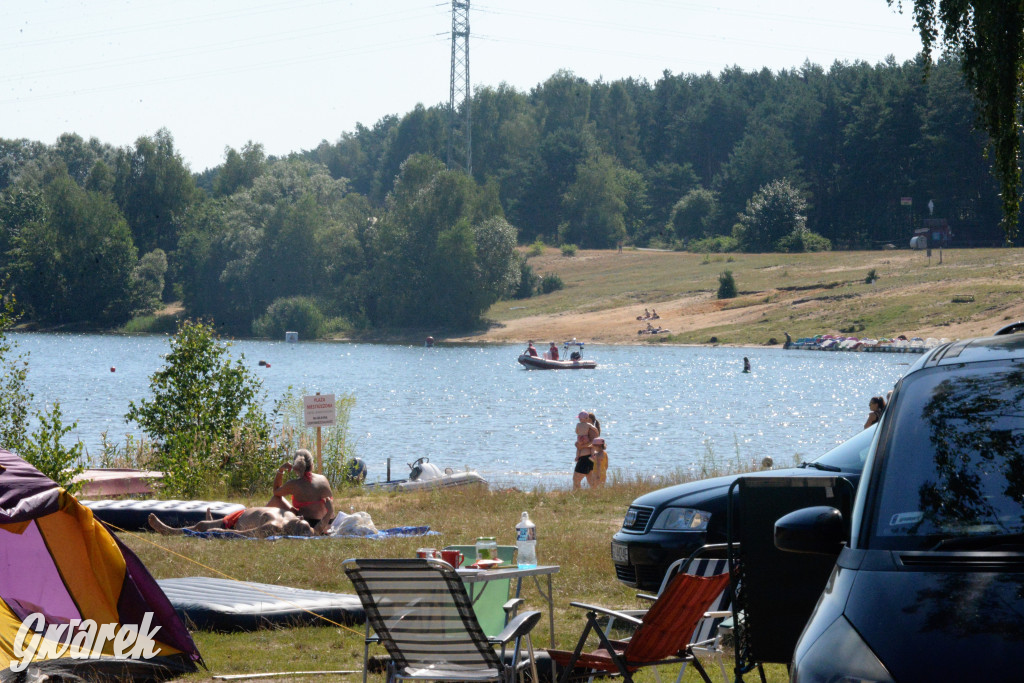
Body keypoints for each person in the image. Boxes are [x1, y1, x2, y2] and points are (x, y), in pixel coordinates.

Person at [267, 449, 335, 534]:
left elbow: (276, 491)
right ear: (312, 464)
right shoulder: (323, 478)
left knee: (276, 499)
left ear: (295, 466)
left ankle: (259, 522)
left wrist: (280, 470)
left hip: (308, 524)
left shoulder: (294, 484)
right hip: (329, 523)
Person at [147, 508, 315, 538]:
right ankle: (171, 531)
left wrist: (218, 532)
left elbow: (242, 535)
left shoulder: (273, 527)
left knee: (201, 526)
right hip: (242, 513)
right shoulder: (292, 515)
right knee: (203, 524)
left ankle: (170, 531)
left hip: (238, 521)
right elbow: (313, 532)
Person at [573, 411, 599, 489]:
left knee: (576, 479)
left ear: (589, 420)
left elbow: (593, 442)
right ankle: (596, 496)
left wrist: (582, 446)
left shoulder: (591, 430)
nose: (581, 421)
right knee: (591, 480)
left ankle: (576, 497)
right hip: (588, 457)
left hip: (586, 457)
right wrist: (578, 444)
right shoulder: (588, 429)